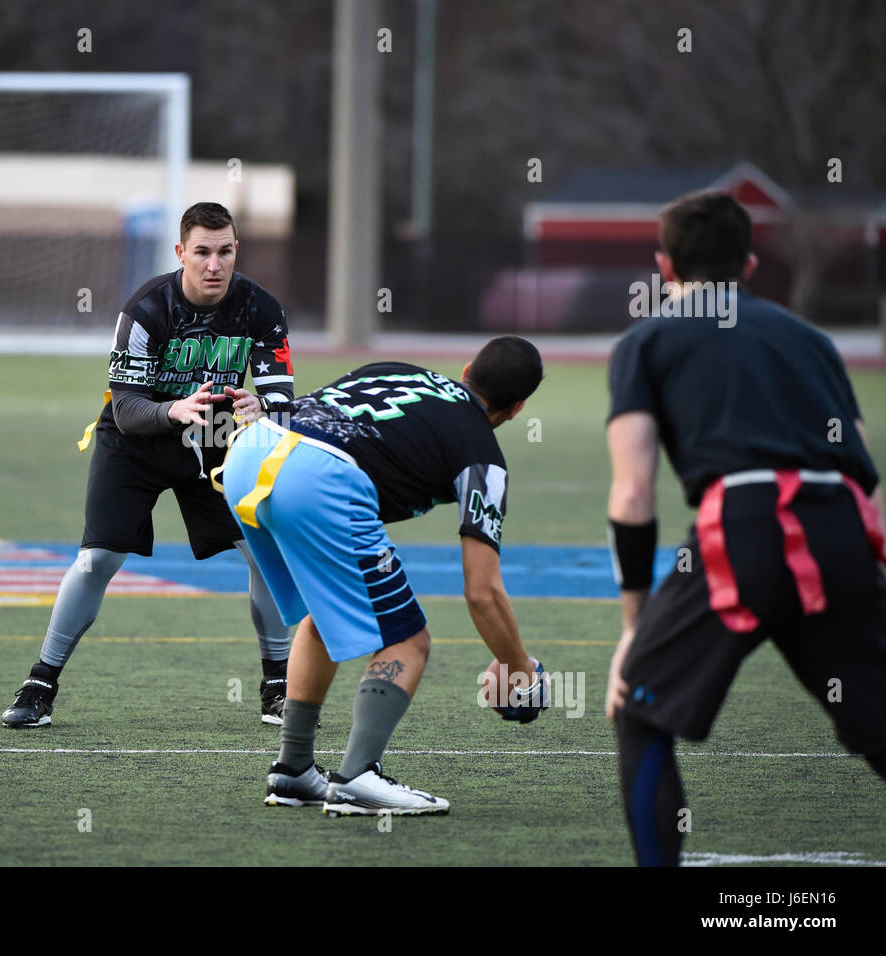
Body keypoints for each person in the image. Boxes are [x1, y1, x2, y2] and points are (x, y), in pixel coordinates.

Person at [603, 191, 886, 865]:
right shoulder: (813, 340)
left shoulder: (647, 340)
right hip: (843, 526)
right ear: (750, 265)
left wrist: (634, 630)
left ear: (664, 268)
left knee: (639, 708)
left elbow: (634, 490)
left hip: (746, 526)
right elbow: (863, 465)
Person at [219, 339, 547, 815]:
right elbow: (482, 591)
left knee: (325, 612)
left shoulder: (398, 369)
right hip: (315, 477)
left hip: (251, 451)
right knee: (407, 639)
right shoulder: (484, 458)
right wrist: (518, 667)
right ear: (517, 409)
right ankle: (357, 776)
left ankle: (293, 771)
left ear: (467, 368)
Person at [1, 202, 296, 729]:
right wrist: (173, 410)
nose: (214, 264)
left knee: (263, 551)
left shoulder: (262, 308)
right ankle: (40, 682)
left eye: (224, 251)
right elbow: (128, 408)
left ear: (236, 252)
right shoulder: (144, 309)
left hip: (214, 438)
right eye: (202, 252)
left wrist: (263, 409)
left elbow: (283, 402)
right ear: (181, 253)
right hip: (137, 440)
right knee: (99, 559)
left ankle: (278, 682)